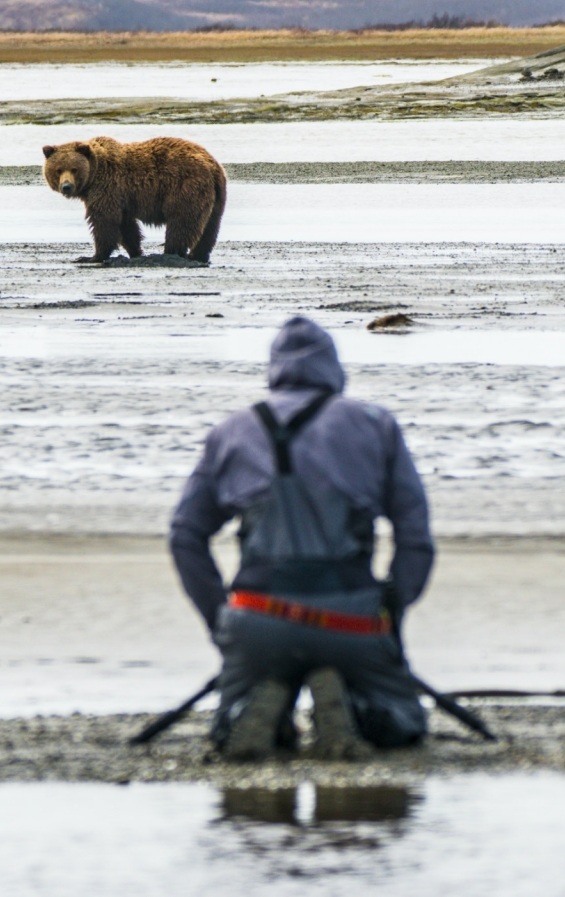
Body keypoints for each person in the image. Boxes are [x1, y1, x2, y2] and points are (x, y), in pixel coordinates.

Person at [169, 316, 434, 760]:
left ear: (274, 368)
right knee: (401, 726)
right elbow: (415, 535)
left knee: (230, 722)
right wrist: (391, 610)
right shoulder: (375, 423)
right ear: (334, 368)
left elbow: (185, 535)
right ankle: (358, 708)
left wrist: (221, 621)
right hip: (351, 619)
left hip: (257, 615)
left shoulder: (230, 431)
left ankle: (252, 713)